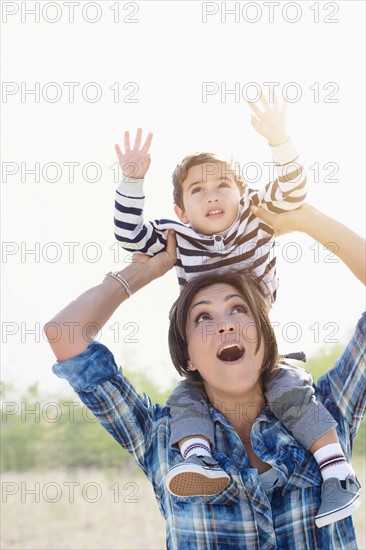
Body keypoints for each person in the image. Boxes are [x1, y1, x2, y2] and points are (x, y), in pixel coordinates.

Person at [44, 205, 365, 548]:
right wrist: (140, 272)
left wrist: (302, 218)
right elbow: (66, 334)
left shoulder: (325, 411)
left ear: (264, 335)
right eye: (203, 318)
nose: (224, 324)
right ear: (188, 357)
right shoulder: (159, 438)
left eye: (237, 309)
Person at [112, 97, 357, 526]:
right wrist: (132, 183)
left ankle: (336, 472)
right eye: (197, 190)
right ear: (180, 211)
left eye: (222, 184)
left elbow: (295, 194)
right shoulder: (178, 237)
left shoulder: (256, 218)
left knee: (292, 392)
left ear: (241, 193)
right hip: (211, 355)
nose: (212, 196)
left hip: (261, 350)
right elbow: (130, 234)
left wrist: (280, 142)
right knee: (186, 399)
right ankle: (198, 459)